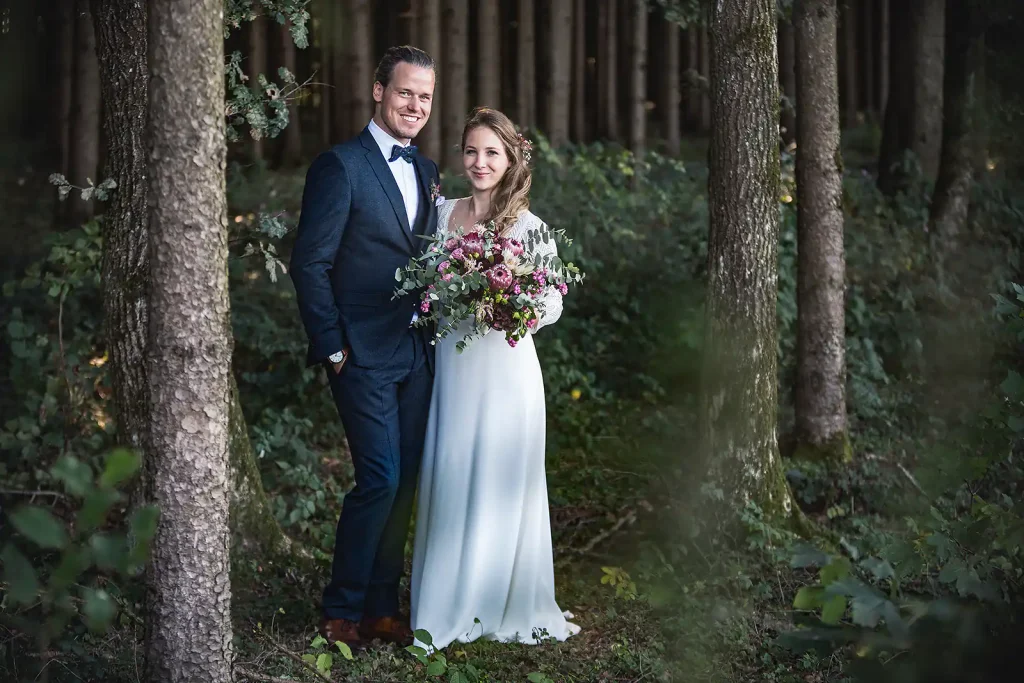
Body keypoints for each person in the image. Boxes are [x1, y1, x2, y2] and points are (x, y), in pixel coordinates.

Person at [409, 107, 581, 650]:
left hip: (507, 373)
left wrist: (516, 306)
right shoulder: (441, 213)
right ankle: (447, 603)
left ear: (510, 160)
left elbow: (552, 300)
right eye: (471, 151)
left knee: (502, 484)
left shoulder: (529, 228)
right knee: (455, 470)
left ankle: (503, 600)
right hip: (456, 374)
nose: (479, 163)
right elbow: (423, 286)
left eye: (491, 153)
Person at [289, 45, 440, 650]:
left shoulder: (428, 171)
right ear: (378, 91)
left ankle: (383, 605)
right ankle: (342, 607)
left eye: (425, 97)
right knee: (377, 477)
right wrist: (332, 349)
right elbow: (309, 263)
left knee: (405, 483)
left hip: (417, 353)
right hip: (359, 353)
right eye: (405, 92)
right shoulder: (341, 166)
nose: (415, 105)